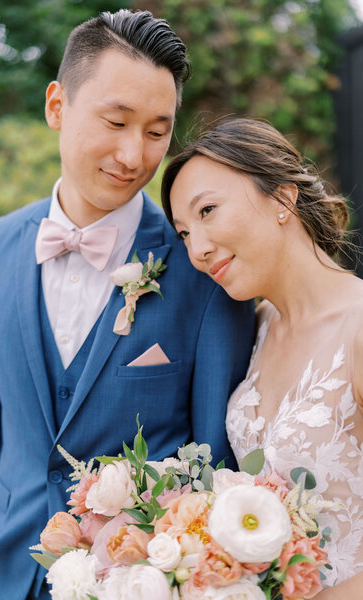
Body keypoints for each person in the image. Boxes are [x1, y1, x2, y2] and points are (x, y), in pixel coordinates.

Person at [0, 11, 255, 600]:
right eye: (116, 121)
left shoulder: (202, 270)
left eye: (155, 131)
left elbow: (215, 458)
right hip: (3, 574)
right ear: (57, 107)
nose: (132, 155)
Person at [162, 117, 363, 598]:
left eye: (207, 211)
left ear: (282, 197)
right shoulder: (252, 327)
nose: (198, 249)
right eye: (184, 233)